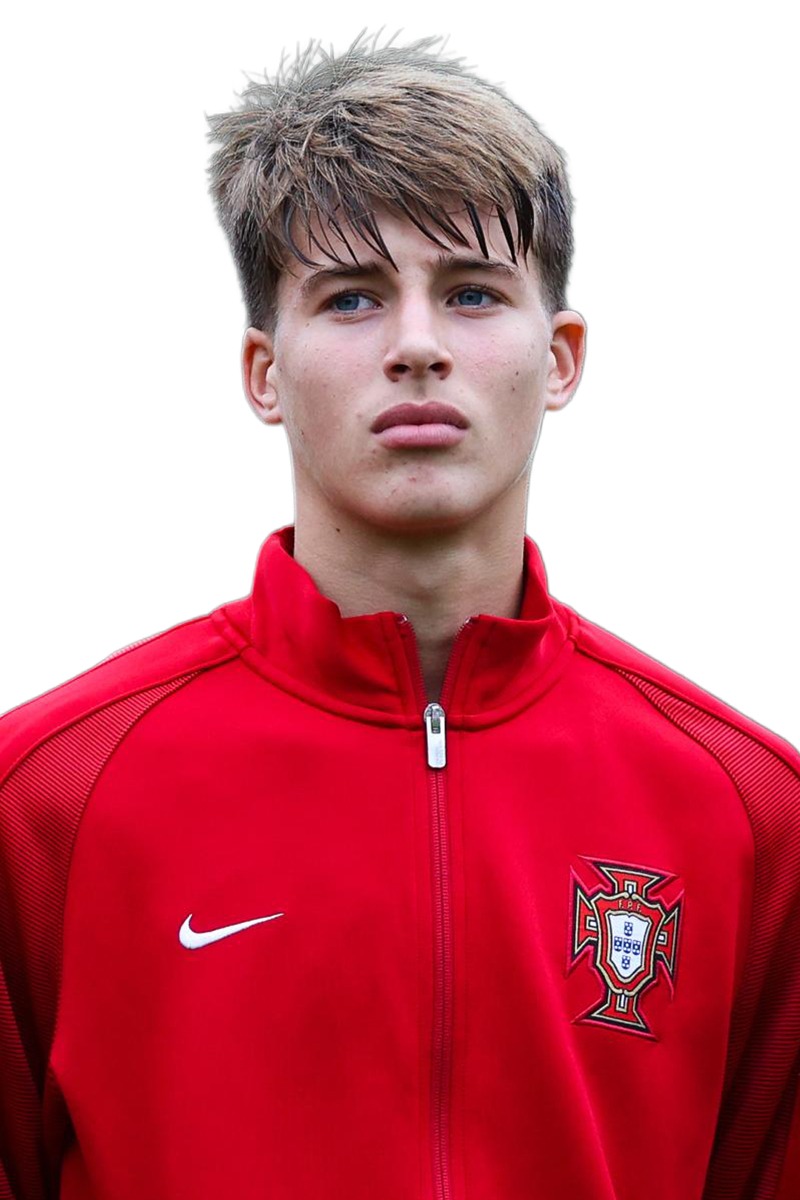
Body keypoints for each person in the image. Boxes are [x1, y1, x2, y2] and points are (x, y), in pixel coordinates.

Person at [1, 29, 798, 1200]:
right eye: (352, 298)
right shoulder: (46, 802)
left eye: (471, 293)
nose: (416, 346)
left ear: (559, 357)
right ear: (263, 373)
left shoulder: (749, 814)